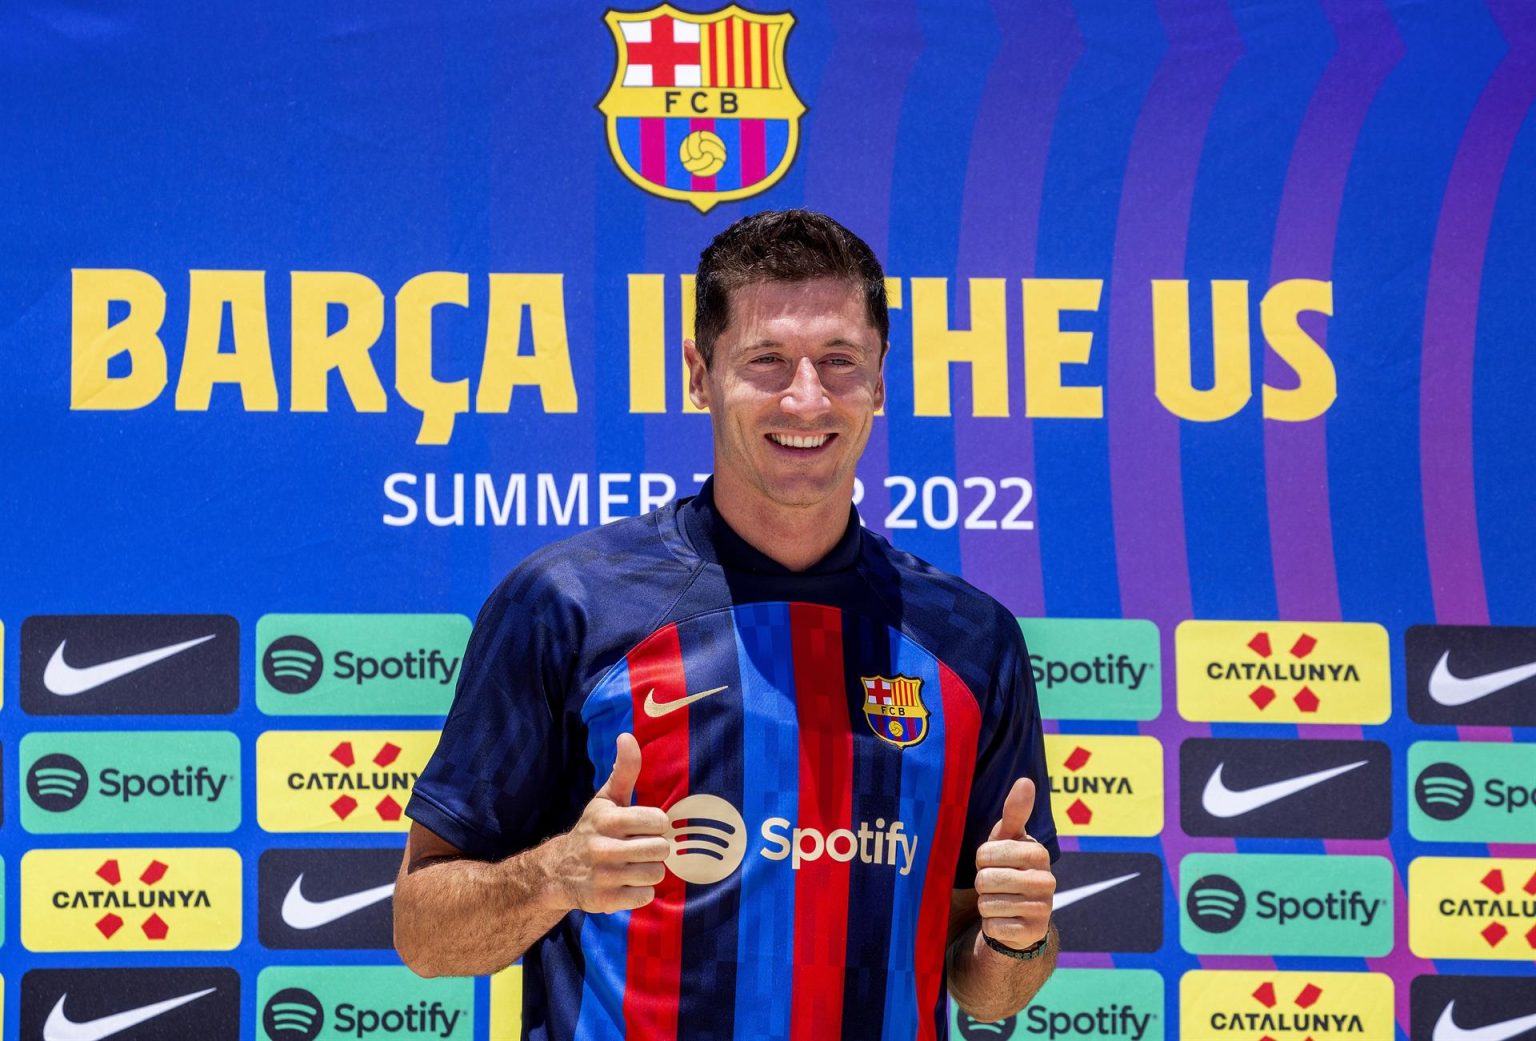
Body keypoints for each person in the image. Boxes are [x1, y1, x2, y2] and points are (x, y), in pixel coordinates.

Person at [395, 209, 1059, 1039]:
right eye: (767, 361)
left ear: (882, 380)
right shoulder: (568, 603)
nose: (807, 396)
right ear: (700, 374)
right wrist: (556, 873)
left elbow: (985, 989)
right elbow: (422, 930)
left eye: (840, 361)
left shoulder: (970, 640)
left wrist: (1016, 941)